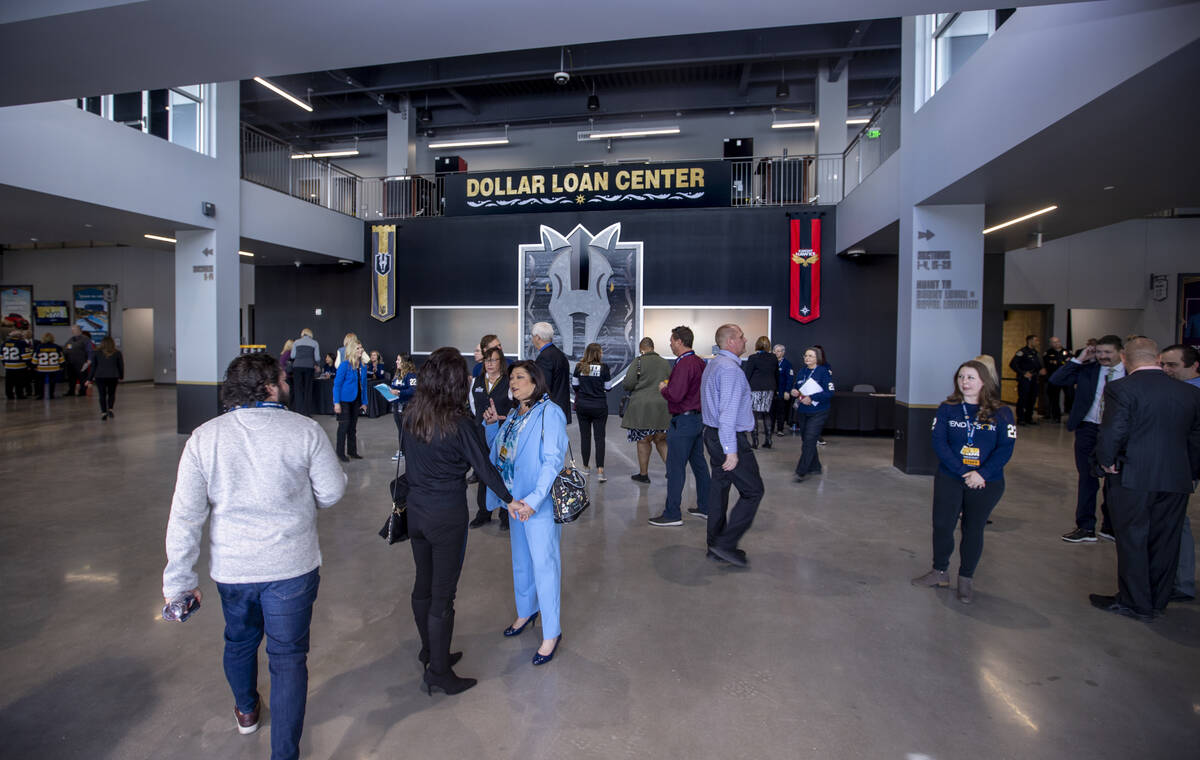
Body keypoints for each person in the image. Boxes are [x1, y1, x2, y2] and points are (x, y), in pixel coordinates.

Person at [162, 353, 345, 758]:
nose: (289, 382)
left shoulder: (204, 437)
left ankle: (246, 711)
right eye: (283, 378)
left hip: (233, 569)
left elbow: (186, 516)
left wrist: (178, 583)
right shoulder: (304, 431)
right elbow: (331, 492)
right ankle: (284, 754)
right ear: (268, 386)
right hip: (291, 568)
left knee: (240, 642)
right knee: (288, 658)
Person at [402, 347, 518, 694]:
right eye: (465, 374)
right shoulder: (459, 423)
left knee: (423, 584)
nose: (471, 377)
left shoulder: (411, 415)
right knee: (443, 596)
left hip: (416, 511)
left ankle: (430, 650)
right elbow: (485, 469)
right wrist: (512, 501)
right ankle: (438, 672)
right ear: (453, 382)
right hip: (446, 514)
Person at [1090, 337, 1200, 621]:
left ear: (1125, 358)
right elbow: (1196, 439)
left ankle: (1135, 602)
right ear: (1157, 359)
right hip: (1176, 477)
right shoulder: (1188, 392)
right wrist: (1190, 471)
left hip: (1133, 476)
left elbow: (1113, 430)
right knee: (1167, 540)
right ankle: (1157, 600)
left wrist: (1105, 461)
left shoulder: (1121, 388)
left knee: (1132, 539)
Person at [484, 360, 568, 666]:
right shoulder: (515, 416)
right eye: (512, 378)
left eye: (520, 377)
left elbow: (553, 460)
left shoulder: (550, 413)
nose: (514, 382)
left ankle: (551, 632)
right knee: (521, 561)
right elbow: (496, 454)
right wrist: (493, 424)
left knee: (545, 565)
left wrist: (534, 499)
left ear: (536, 382)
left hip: (538, 504)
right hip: (515, 503)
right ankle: (526, 611)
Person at [912, 360, 1017, 603]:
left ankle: (966, 579)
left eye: (971, 377)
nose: (965, 382)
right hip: (951, 476)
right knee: (942, 525)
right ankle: (939, 572)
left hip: (986, 481)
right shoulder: (947, 409)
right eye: (961, 377)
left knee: (973, 529)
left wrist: (982, 474)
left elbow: (1005, 448)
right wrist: (962, 471)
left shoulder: (1001, 412)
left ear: (984, 382)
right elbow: (940, 443)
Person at [1050, 334, 1124, 543]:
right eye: (1099, 352)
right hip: (1088, 429)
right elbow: (1056, 380)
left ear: (1120, 352)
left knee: (1114, 481)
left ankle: (1110, 527)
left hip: (1116, 433)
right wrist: (1079, 359)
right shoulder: (1088, 369)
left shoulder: (1129, 373)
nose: (1102, 356)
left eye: (1108, 352)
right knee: (1087, 479)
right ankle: (1085, 527)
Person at [701, 324, 764, 568]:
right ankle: (725, 545)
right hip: (728, 437)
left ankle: (714, 545)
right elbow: (727, 412)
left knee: (719, 489)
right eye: (741, 337)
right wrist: (731, 450)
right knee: (753, 491)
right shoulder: (730, 370)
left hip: (713, 434)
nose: (745, 339)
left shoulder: (715, 364)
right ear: (730, 342)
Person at [649, 325, 711, 526]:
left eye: (671, 340)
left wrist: (664, 389)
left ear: (679, 341)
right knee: (700, 465)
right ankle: (705, 506)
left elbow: (676, 394)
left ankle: (672, 513)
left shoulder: (684, 364)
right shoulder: (700, 362)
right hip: (697, 420)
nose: (669, 343)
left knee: (675, 468)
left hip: (683, 421)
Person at [1160, 344, 1200, 601]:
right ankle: (1180, 582)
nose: (1166, 370)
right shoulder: (1175, 391)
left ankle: (1182, 583)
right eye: (1163, 364)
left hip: (1185, 467)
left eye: (1172, 365)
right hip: (1177, 467)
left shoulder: (1192, 394)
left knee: (1177, 523)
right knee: (1176, 522)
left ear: (1194, 365)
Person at [469, 346, 512, 528]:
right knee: (482, 471)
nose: (490, 364)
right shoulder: (477, 382)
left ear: (500, 361)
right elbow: (473, 405)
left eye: (494, 360)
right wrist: (482, 421)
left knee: (503, 473)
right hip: (481, 433)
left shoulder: (509, 382)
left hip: (503, 435)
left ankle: (505, 514)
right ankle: (483, 513)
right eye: (487, 360)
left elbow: (514, 407)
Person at [621, 337, 672, 484]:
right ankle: (672, 471)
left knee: (644, 441)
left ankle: (643, 474)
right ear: (653, 347)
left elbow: (629, 383)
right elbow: (671, 382)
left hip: (642, 408)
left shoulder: (638, 361)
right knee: (661, 440)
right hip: (663, 408)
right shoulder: (664, 362)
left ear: (641, 348)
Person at [790, 346, 835, 482]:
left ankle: (801, 471)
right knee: (806, 439)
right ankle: (815, 466)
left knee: (809, 440)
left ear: (817, 358)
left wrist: (813, 398)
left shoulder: (823, 371)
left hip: (819, 411)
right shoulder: (802, 371)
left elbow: (829, 392)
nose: (807, 358)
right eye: (806, 356)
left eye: (811, 356)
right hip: (804, 411)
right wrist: (795, 392)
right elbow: (797, 388)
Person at [572, 342, 612, 483]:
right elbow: (608, 388)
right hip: (599, 406)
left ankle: (586, 467)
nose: (602, 354)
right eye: (601, 352)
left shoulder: (579, 367)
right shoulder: (604, 368)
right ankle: (600, 471)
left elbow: (575, 386)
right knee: (599, 438)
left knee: (585, 437)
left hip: (583, 405)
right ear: (597, 353)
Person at [332, 338, 369, 462]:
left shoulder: (363, 366)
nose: (361, 350)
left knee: (352, 427)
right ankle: (340, 452)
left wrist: (364, 402)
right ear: (352, 350)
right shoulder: (344, 365)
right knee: (344, 426)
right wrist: (336, 402)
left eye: (361, 347)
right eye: (358, 348)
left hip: (356, 399)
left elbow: (364, 386)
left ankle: (352, 452)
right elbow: (337, 385)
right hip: (344, 400)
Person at [531, 322, 570, 423]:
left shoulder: (545, 357)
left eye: (532, 336)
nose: (532, 339)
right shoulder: (559, 354)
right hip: (559, 408)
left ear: (537, 337)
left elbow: (543, 387)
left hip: (549, 412)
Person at [743, 336, 779, 449]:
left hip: (755, 388)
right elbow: (777, 374)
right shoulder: (774, 358)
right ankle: (768, 440)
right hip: (769, 388)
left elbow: (747, 375)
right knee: (766, 414)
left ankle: (755, 441)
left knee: (754, 415)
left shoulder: (753, 358)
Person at [88, 336, 124, 420]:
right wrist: (121, 376)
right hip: (113, 376)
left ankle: (103, 412)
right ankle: (110, 409)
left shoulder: (96, 352)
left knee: (102, 395)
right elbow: (121, 366)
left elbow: (93, 367)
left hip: (100, 376)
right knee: (111, 394)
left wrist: (89, 379)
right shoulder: (117, 353)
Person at [390, 354, 418, 461]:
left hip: (407, 406)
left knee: (407, 429)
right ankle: (402, 450)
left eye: (398, 360)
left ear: (405, 362)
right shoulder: (397, 374)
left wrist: (399, 392)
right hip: (397, 405)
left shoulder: (411, 375)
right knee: (400, 429)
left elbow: (413, 390)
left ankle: (409, 451)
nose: (396, 362)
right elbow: (393, 386)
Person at [1009, 335, 1042, 426]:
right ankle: (1021, 418)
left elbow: (1037, 365)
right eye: (1036, 340)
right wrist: (1023, 373)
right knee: (1023, 398)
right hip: (1024, 379)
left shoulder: (1035, 352)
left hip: (1034, 378)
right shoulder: (1022, 352)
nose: (1038, 342)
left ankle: (1029, 417)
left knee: (1032, 398)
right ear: (1029, 341)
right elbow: (1013, 364)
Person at [290, 328, 320, 416]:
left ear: (302, 333)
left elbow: (292, 355)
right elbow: (317, 357)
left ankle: (299, 411)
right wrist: (316, 364)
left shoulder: (296, 342)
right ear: (310, 334)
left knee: (298, 389)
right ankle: (307, 412)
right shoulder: (315, 343)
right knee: (308, 389)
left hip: (297, 367)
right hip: (309, 367)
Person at [1043, 336, 1072, 423]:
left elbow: (1071, 364)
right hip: (1054, 379)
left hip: (1066, 378)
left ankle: (1070, 415)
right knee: (1054, 398)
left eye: (1058, 341)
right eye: (1054, 342)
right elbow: (1048, 366)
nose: (1057, 343)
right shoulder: (1047, 353)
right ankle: (1056, 416)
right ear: (1051, 344)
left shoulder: (1067, 352)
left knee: (1070, 397)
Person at [62, 325, 94, 397]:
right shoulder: (71, 339)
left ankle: (82, 391)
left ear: (79, 330)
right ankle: (71, 391)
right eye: (72, 330)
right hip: (71, 362)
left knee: (82, 378)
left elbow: (90, 350)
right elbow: (65, 348)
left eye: (74, 330)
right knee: (71, 378)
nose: (72, 331)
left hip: (81, 362)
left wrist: (89, 360)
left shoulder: (86, 339)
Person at [32, 332, 65, 399]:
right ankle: (51, 394)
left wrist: (34, 366)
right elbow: (61, 359)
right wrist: (62, 366)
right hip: (54, 368)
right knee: (52, 382)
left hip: (42, 368)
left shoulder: (39, 347)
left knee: (41, 382)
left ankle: (41, 395)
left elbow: (35, 358)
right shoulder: (57, 347)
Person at [772, 344, 794, 435]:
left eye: (779, 351)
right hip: (772, 391)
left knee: (781, 411)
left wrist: (787, 391)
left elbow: (790, 379)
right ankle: (770, 429)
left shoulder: (787, 364)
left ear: (783, 352)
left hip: (782, 391)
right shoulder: (771, 362)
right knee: (771, 411)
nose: (777, 353)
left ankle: (780, 429)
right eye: (775, 351)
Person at [2, 328, 30, 399]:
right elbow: (25, 356)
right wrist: (29, 364)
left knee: (9, 383)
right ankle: (19, 394)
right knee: (19, 382)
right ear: (19, 336)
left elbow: (1, 355)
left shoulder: (4, 343)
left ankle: (9, 395)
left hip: (8, 366)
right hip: (19, 366)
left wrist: (4, 363)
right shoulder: (22, 343)